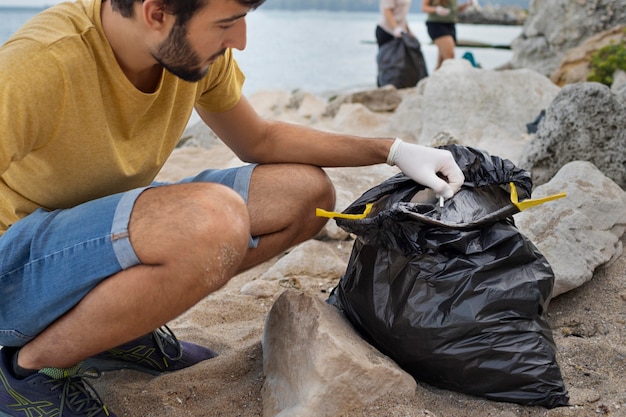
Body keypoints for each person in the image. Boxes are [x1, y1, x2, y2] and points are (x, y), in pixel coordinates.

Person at [0, 0, 465, 415]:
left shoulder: (195, 55)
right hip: (16, 266)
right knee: (214, 220)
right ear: (156, 13)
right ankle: (25, 370)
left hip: (93, 233)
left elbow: (258, 139)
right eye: (229, 22)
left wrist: (392, 150)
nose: (240, 41)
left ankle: (114, 330)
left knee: (305, 195)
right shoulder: (41, 62)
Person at [422, 0, 475, 69]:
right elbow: (424, 8)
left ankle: (435, 78)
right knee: (449, 58)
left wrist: (466, 5)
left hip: (450, 25)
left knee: (441, 63)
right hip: (436, 25)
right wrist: (436, 9)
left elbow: (454, 9)